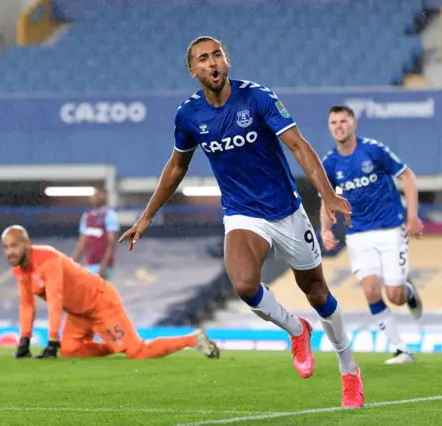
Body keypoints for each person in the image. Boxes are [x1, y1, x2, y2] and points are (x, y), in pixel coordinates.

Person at [119, 36, 364, 407]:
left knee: (318, 293)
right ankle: (297, 330)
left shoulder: (258, 97)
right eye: (204, 59)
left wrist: (326, 193)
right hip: (242, 214)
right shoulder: (188, 116)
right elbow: (176, 167)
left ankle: (349, 371)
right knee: (245, 284)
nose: (212, 62)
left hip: (287, 212)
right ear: (193, 71)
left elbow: (298, 145)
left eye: (217, 55)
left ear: (227, 61)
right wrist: (147, 215)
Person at [2, 225, 219, 360]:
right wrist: (24, 341)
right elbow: (26, 305)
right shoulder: (19, 268)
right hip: (79, 313)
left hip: (99, 302)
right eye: (6, 247)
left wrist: (52, 340)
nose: (10, 252)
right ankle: (115, 345)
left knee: (138, 352)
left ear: (27, 244)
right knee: (69, 350)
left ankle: (193, 339)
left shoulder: (48, 259)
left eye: (14, 246)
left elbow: (56, 300)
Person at [320, 105, 424, 364]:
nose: (339, 126)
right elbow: (327, 198)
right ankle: (402, 350)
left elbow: (408, 177)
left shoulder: (374, 150)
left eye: (343, 121)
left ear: (353, 124)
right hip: (359, 235)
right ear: (330, 127)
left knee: (395, 297)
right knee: (370, 291)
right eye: (334, 123)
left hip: (391, 229)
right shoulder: (330, 163)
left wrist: (412, 216)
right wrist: (325, 228)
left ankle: (406, 290)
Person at [73, 187, 119, 280]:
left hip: (104, 267)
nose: (95, 197)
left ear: (105, 196)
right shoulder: (86, 217)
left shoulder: (110, 215)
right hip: (89, 265)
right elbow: (82, 243)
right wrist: (72, 263)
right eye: (93, 194)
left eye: (98, 194)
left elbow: (111, 243)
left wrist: (103, 267)